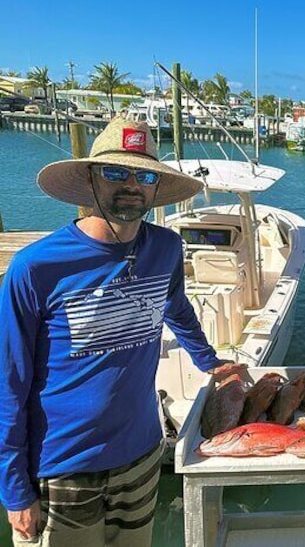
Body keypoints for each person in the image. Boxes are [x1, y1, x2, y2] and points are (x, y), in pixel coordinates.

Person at [0, 118, 228, 546]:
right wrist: (14, 488)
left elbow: (174, 305)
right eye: (114, 172)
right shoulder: (35, 267)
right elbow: (8, 383)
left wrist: (209, 360)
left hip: (141, 457)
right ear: (90, 178)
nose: (131, 185)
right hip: (63, 469)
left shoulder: (165, 247)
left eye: (144, 176)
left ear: (156, 188)